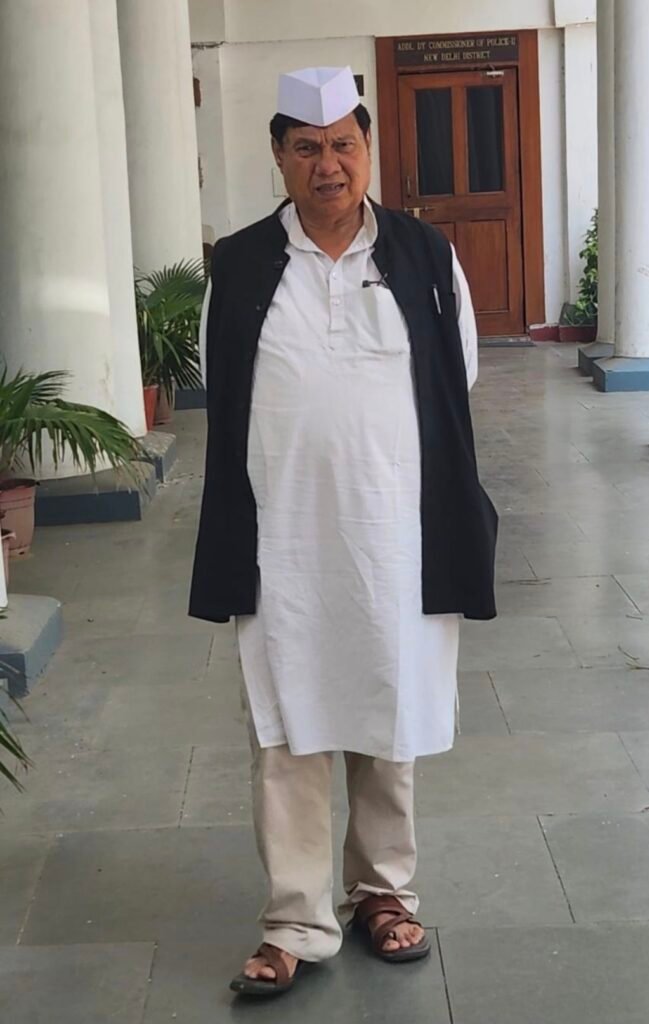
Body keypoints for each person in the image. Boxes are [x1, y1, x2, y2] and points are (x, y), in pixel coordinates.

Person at [190, 65, 497, 998]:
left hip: (394, 531)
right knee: (286, 725)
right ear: (278, 157)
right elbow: (221, 384)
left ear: (368, 148)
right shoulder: (241, 265)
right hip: (281, 540)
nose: (327, 165)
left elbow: (457, 376)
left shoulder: (422, 255)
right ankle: (294, 919)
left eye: (342, 145)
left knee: (387, 706)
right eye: (306, 148)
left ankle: (382, 893)